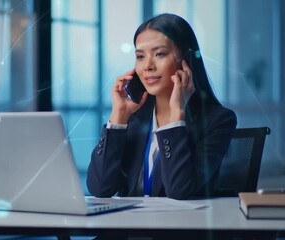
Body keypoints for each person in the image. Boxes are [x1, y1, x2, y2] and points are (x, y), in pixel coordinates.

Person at [86, 13, 237, 200]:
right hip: (128, 226)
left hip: (178, 227)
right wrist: (119, 115)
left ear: (186, 60)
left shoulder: (217, 120)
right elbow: (99, 188)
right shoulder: (135, 117)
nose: (148, 66)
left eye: (160, 54)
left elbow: (180, 190)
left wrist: (176, 116)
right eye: (140, 56)